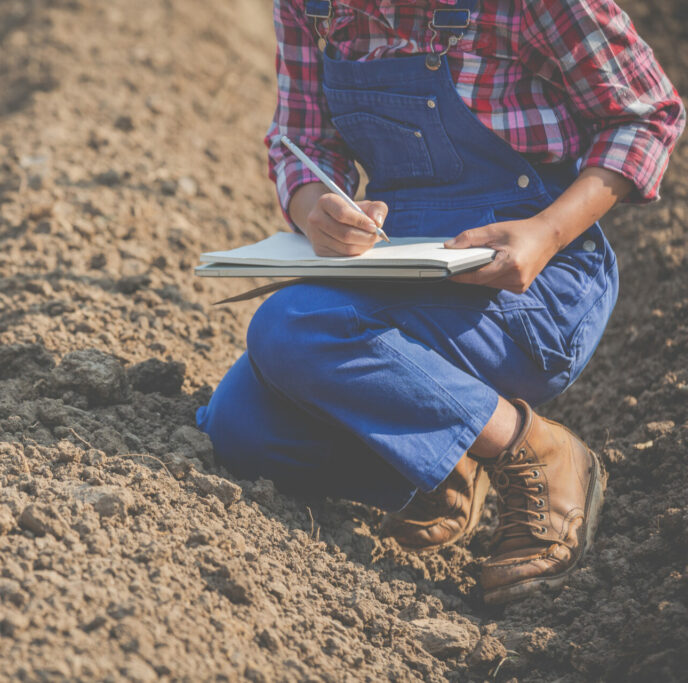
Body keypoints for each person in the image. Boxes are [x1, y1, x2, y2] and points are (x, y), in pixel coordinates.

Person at [196, 0, 684, 604]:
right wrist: (315, 208)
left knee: (290, 326)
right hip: (403, 259)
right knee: (242, 427)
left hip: (532, 279)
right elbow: (301, 139)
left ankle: (538, 450)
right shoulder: (312, 7)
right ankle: (450, 457)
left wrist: (547, 232)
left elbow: (648, 114)